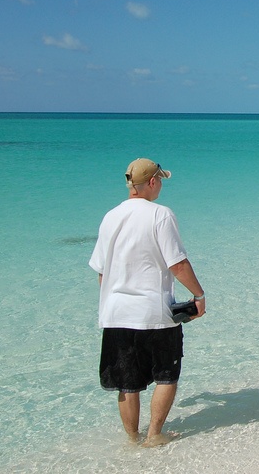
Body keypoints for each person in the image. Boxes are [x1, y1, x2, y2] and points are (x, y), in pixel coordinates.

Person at [89, 158, 206, 447]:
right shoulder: (161, 215)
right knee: (167, 375)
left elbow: (102, 272)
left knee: (127, 382)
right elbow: (177, 264)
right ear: (152, 182)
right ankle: (154, 434)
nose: (162, 186)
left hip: (115, 314)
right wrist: (199, 296)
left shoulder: (110, 217)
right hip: (155, 313)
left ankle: (132, 439)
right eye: (161, 180)